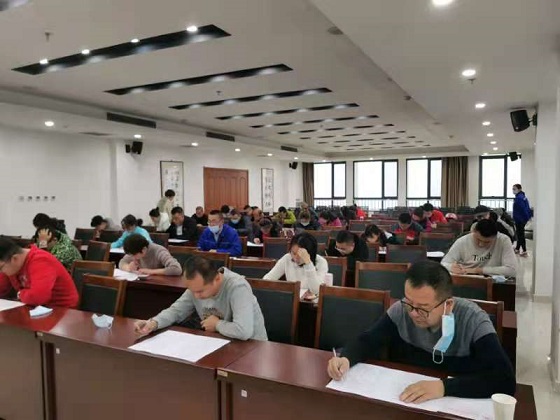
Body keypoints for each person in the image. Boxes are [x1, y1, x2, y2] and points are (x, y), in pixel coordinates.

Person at [327, 261, 515, 402]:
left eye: (423, 308)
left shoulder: (473, 320)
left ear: (448, 305)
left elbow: (504, 379)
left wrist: (444, 387)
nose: (413, 313)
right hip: (405, 398)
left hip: (451, 403)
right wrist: (346, 358)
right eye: (409, 302)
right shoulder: (402, 310)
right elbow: (368, 340)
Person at [134, 256, 267, 341]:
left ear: (217, 278)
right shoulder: (196, 287)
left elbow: (244, 331)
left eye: (200, 291)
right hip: (220, 342)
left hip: (252, 348)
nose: (196, 296)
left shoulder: (237, 287)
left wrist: (217, 325)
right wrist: (154, 323)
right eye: (192, 291)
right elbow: (176, 311)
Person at [0, 237, 79, 308]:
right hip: (34, 308)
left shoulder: (41, 261)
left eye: (0, 268)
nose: (1, 272)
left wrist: (20, 294)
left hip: (62, 310)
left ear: (15, 258)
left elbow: (38, 297)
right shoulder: (10, 265)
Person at [441, 219, 517, 277]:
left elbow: (512, 270)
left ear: (496, 236)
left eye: (487, 242)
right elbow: (444, 263)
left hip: (493, 282)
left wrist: (477, 270)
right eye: (478, 239)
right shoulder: (462, 241)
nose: (481, 244)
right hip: (466, 279)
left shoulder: (503, 240)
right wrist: (451, 267)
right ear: (473, 232)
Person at [263, 233, 328, 294]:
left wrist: (308, 263)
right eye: (294, 253)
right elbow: (266, 280)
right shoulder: (287, 258)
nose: (296, 258)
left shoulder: (321, 262)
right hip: (291, 298)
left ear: (310, 253)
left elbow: (316, 290)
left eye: (301, 254)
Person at [512, 184, 532, 257]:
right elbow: (527, 208)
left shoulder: (519, 198)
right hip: (521, 219)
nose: (513, 190)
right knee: (519, 234)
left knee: (520, 235)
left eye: (514, 189)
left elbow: (523, 209)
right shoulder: (523, 197)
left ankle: (524, 251)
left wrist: (526, 217)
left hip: (520, 219)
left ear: (519, 189)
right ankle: (517, 249)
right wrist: (528, 217)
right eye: (513, 189)